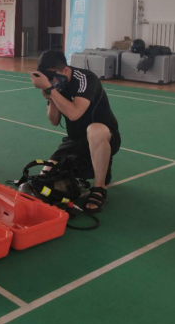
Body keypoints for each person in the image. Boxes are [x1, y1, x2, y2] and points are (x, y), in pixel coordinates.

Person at [31, 50, 121, 212]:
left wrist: (50, 89)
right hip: (75, 140)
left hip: (105, 136)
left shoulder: (86, 79)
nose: (52, 80)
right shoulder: (56, 85)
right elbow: (54, 120)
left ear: (65, 70)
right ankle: (94, 168)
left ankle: (99, 187)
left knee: (94, 130)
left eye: (53, 76)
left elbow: (74, 114)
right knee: (44, 178)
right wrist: (51, 95)